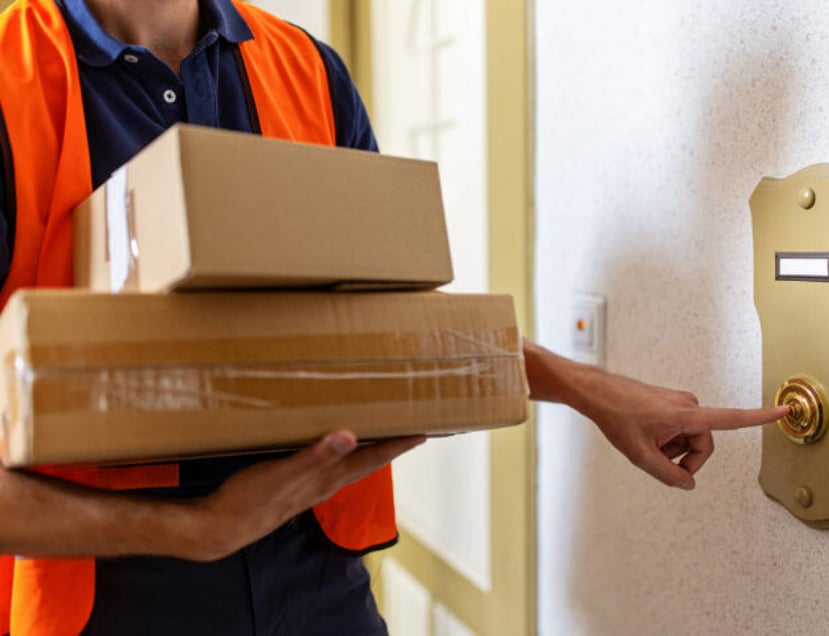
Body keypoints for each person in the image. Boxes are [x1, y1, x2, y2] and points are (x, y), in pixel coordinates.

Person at [0, 0, 789, 634]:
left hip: (318, 576)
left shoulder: (305, 68)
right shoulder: (11, 75)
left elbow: (382, 318)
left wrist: (594, 392)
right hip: (108, 591)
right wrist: (195, 529)